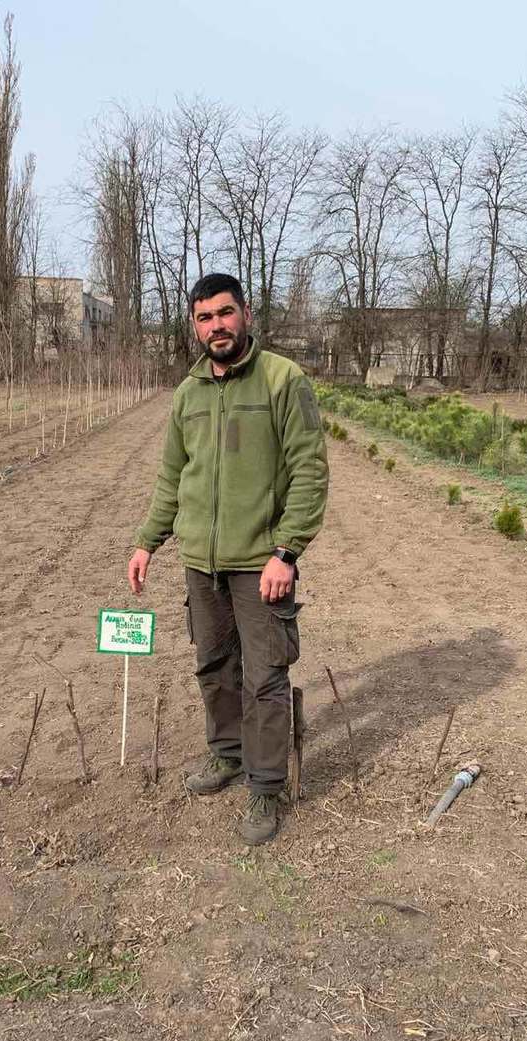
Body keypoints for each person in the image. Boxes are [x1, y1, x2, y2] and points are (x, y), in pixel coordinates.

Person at [127, 272, 329, 845]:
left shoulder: (282, 380)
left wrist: (286, 552)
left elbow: (310, 472)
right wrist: (147, 542)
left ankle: (265, 786)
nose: (216, 326)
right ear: (194, 326)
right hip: (202, 561)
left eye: (224, 313)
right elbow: (173, 476)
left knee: (264, 678)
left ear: (245, 314)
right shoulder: (188, 394)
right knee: (214, 667)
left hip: (261, 562)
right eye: (204, 318)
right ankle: (228, 754)